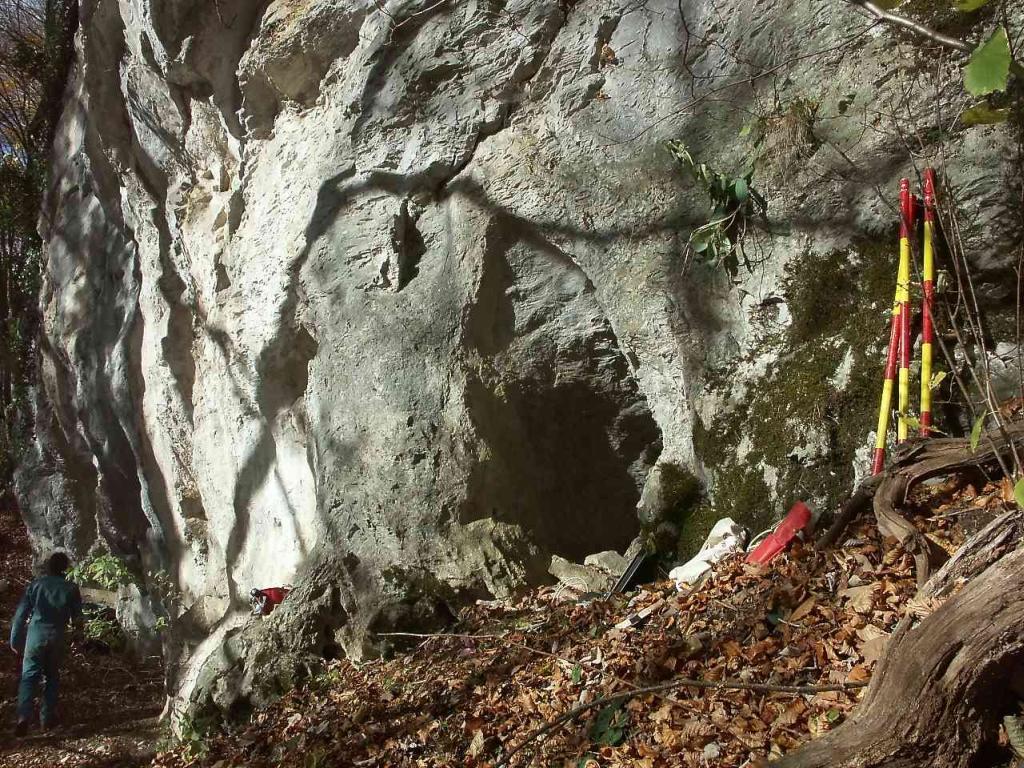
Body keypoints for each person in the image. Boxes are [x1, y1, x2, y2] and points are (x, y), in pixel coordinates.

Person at [9, 551, 83, 737]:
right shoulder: (71, 588)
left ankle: (23, 718)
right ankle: (46, 720)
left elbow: (20, 616)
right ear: (65, 568)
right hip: (57, 636)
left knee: (29, 677)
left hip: (35, 636)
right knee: (52, 677)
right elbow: (78, 619)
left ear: (48, 567)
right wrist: (78, 639)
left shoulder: (35, 586)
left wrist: (15, 639)